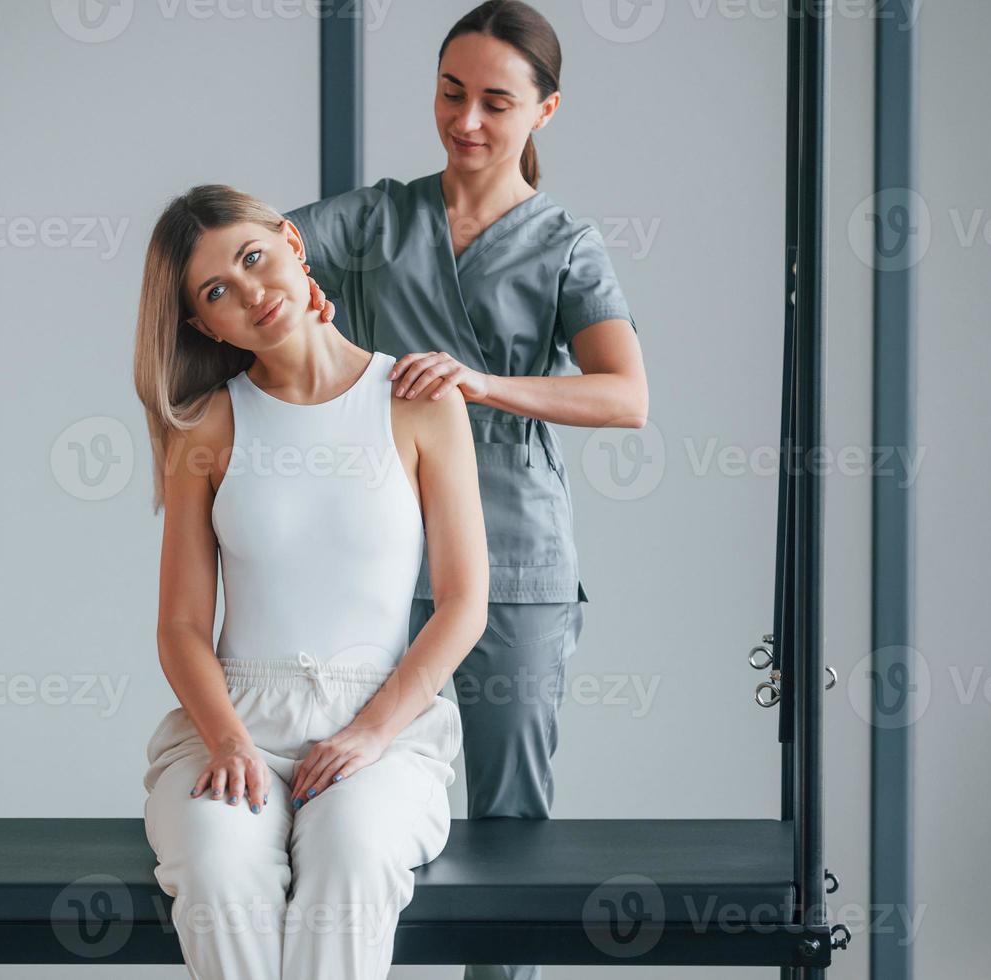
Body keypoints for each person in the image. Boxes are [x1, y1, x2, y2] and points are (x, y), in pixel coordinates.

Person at [285, 5, 646, 977]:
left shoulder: (567, 241)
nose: (468, 120)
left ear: (547, 110)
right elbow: (259, 254)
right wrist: (283, 289)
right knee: (341, 798)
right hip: (379, 557)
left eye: (496, 101)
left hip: (515, 562)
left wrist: (482, 382)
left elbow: (626, 395)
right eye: (451, 93)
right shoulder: (375, 218)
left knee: (507, 826)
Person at [133, 183, 488, 979]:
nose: (251, 293)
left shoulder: (417, 403)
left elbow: (464, 602)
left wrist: (371, 732)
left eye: (254, 257)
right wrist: (227, 739)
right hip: (232, 721)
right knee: (218, 871)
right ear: (202, 324)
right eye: (217, 291)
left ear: (293, 245)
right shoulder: (205, 428)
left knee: (354, 861)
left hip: (383, 724)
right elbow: (181, 628)